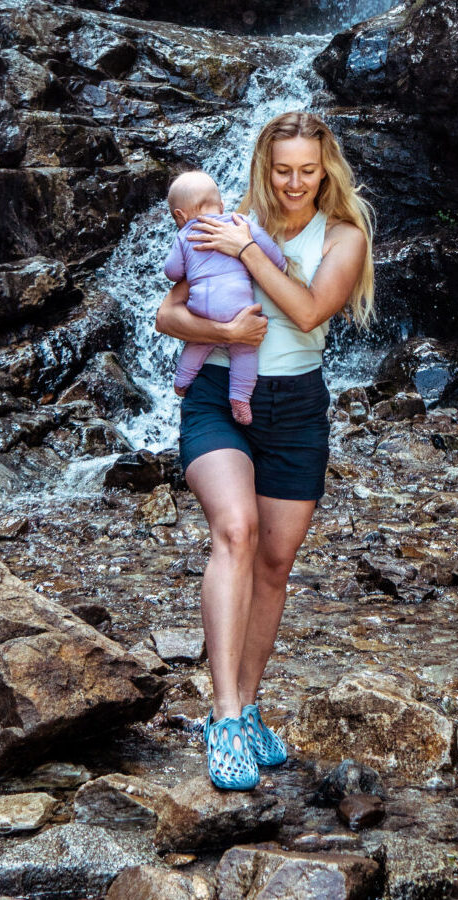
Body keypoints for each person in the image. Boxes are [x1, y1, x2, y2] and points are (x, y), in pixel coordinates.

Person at [154, 110, 375, 791]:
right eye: (282, 170)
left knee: (274, 564)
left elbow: (309, 311)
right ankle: (222, 718)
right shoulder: (227, 216)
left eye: (307, 171)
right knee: (235, 530)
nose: (293, 183)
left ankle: (248, 708)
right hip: (219, 395)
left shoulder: (343, 236)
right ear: (263, 165)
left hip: (296, 408)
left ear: (326, 168)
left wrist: (248, 251)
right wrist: (217, 326)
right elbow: (167, 314)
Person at [162, 169, 287, 427]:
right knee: (245, 350)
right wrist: (281, 264)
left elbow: (172, 272)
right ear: (221, 204)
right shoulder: (240, 223)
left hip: (201, 310)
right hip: (239, 308)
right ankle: (240, 398)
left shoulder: (184, 234)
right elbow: (274, 256)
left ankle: (182, 382)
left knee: (198, 342)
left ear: (179, 215)